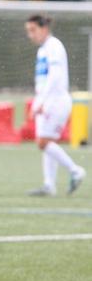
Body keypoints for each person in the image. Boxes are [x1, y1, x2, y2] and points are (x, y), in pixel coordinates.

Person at [25, 15, 86, 196]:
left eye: (33, 30)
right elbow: (43, 79)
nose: (30, 35)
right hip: (47, 100)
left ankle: (75, 171)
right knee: (47, 142)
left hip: (56, 101)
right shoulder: (43, 50)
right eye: (28, 31)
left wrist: (41, 101)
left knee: (42, 142)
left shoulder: (54, 46)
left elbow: (55, 76)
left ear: (44, 29)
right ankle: (49, 185)